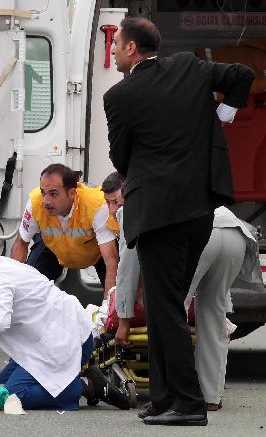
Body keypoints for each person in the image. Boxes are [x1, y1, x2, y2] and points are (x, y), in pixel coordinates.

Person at [104, 17, 255, 426]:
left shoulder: (121, 95)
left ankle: (186, 403)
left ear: (132, 48)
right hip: (200, 210)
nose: (113, 50)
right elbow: (243, 74)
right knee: (164, 304)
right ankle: (165, 397)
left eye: (116, 44)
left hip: (157, 214)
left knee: (164, 306)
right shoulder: (190, 66)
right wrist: (221, 116)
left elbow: (121, 160)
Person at [103, 172, 262, 413]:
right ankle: (210, 396)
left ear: (128, 192)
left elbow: (127, 269)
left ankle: (173, 397)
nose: (113, 209)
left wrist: (123, 320)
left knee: (169, 314)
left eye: (116, 201)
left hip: (199, 234)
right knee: (213, 312)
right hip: (233, 229)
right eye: (109, 203)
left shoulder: (133, 208)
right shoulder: (169, 189)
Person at [0, 233, 129, 411]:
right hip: (64, 335)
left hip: (64, 343)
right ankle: (71, 380)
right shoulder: (1, 265)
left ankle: (85, 385)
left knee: (13, 396)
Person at [11, 164, 118, 298]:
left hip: (96, 251)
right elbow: (21, 243)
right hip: (52, 247)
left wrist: (107, 307)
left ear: (72, 193)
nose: (46, 201)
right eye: (43, 192)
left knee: (116, 292)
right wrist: (12, 286)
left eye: (53, 194)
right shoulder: (35, 202)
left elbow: (111, 261)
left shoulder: (96, 205)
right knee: (30, 286)